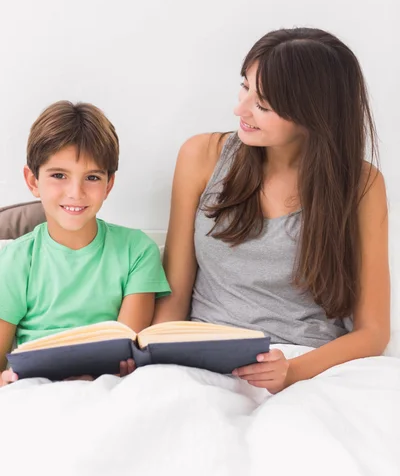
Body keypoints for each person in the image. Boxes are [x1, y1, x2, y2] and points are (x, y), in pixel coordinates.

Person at [153, 27, 390, 394]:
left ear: (313, 114)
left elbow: (373, 332)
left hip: (312, 366)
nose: (240, 110)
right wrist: (154, 355)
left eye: (262, 104)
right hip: (206, 358)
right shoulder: (201, 158)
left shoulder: (361, 185)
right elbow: (173, 298)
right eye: (245, 86)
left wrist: (293, 371)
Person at [0, 101, 170, 386]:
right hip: (34, 388)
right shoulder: (14, 259)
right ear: (33, 180)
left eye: (92, 177)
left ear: (109, 184)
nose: (75, 193)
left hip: (107, 384)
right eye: (59, 175)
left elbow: (125, 346)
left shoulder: (137, 251)